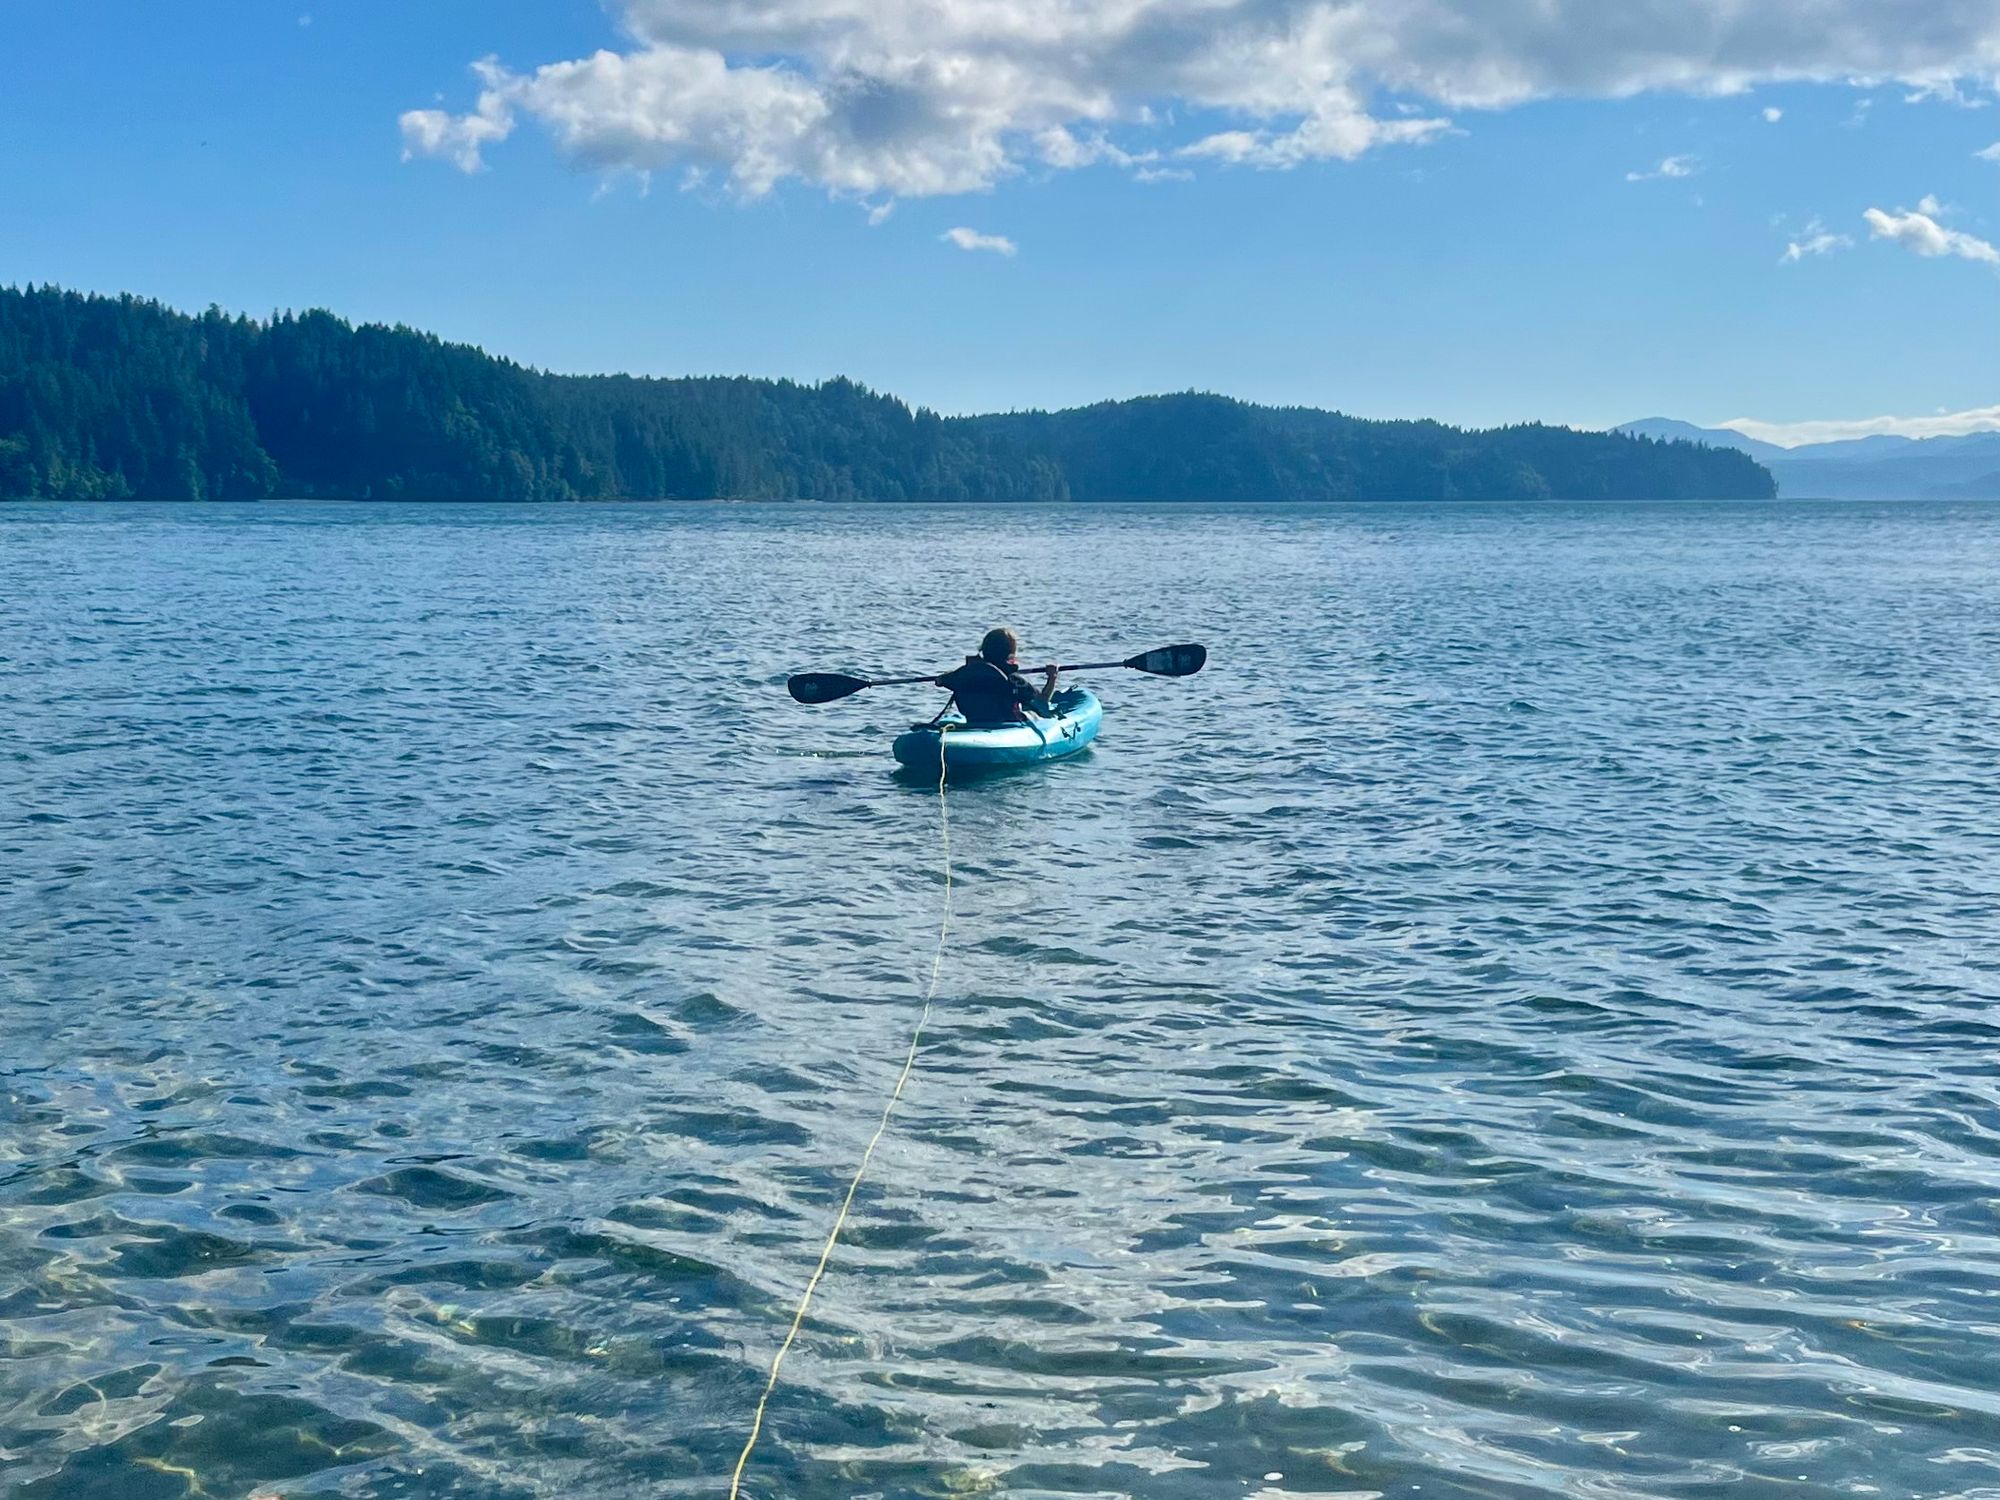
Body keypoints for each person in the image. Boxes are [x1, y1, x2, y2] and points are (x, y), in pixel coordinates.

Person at [933, 628, 1060, 724]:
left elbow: (940, 680)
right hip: (1005, 726)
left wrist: (949, 675)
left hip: (974, 720)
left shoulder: (962, 675)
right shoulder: (1013, 680)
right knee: (1035, 712)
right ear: (1010, 654)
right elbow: (1042, 701)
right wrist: (1052, 677)